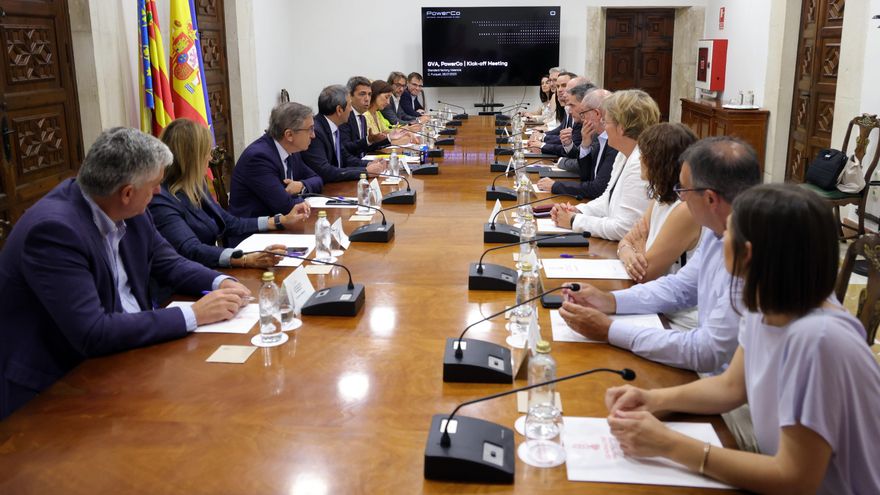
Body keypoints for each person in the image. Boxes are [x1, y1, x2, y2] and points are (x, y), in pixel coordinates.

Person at [605, 184, 880, 494]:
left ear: (745, 253)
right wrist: (654, 400)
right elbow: (731, 387)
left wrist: (669, 445)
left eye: (727, 234)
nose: (719, 239)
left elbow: (795, 478)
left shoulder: (818, 341)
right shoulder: (765, 303)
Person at [0, 127, 251, 419]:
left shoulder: (128, 208)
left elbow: (168, 261)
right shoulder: (54, 231)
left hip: (128, 355)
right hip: (58, 387)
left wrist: (220, 282)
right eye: (155, 184)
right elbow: (92, 332)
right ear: (127, 193)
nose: (159, 192)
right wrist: (194, 314)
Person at [150, 118, 309, 269]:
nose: (210, 158)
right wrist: (244, 259)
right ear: (191, 158)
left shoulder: (195, 186)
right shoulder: (160, 200)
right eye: (206, 152)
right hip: (189, 278)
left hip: (211, 267)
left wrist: (279, 221)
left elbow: (228, 222)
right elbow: (191, 249)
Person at [550, 89, 657, 240]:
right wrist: (578, 210)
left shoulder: (640, 164)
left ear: (621, 128)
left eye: (606, 122)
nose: (604, 127)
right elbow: (607, 199)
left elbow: (624, 228)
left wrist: (574, 220)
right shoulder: (623, 155)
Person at [617, 123, 701, 285]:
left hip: (676, 300)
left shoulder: (684, 209)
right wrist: (628, 251)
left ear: (660, 162)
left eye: (645, 155)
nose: (640, 159)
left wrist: (640, 248)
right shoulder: (660, 197)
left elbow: (645, 275)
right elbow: (625, 241)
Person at [229, 102, 322, 219]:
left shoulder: (291, 150)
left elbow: (317, 179)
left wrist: (301, 185)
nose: (313, 135)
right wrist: (303, 201)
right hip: (255, 227)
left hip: (281, 222)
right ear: (289, 135)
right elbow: (285, 206)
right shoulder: (258, 158)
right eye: (310, 129)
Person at [536, 88, 617, 200]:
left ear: (597, 114)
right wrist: (585, 146)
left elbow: (597, 189)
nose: (582, 119)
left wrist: (556, 186)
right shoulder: (597, 138)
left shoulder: (614, 143)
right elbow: (586, 177)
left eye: (583, 114)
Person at [301, 84, 387, 183]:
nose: (351, 110)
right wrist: (365, 172)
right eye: (350, 105)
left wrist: (369, 164)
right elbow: (325, 171)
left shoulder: (332, 126)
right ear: (339, 110)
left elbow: (345, 158)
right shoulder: (316, 132)